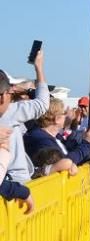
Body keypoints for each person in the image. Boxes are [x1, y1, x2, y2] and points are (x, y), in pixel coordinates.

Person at [0, 52, 50, 184]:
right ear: (3, 97)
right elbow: (42, 104)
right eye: (9, 91)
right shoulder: (10, 112)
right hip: (15, 185)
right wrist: (38, 67)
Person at [25, 98, 90, 167]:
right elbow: (64, 162)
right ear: (57, 119)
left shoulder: (52, 136)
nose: (68, 115)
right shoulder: (42, 140)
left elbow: (69, 150)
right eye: (64, 113)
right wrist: (87, 143)